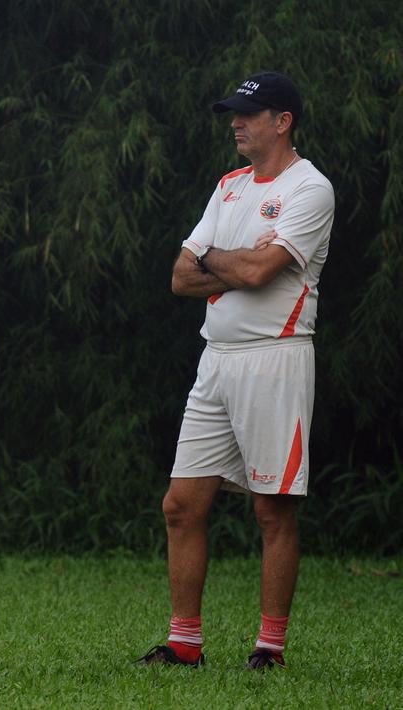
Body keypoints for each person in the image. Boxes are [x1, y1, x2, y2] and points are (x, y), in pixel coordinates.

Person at [137, 71, 334, 670]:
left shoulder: (310, 188)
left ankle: (269, 648)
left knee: (272, 509)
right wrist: (241, 260)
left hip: (276, 359)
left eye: (248, 114)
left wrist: (221, 261)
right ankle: (183, 644)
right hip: (215, 362)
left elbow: (256, 274)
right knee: (181, 504)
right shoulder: (227, 187)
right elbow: (180, 276)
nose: (235, 123)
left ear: (283, 121)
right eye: (234, 114)